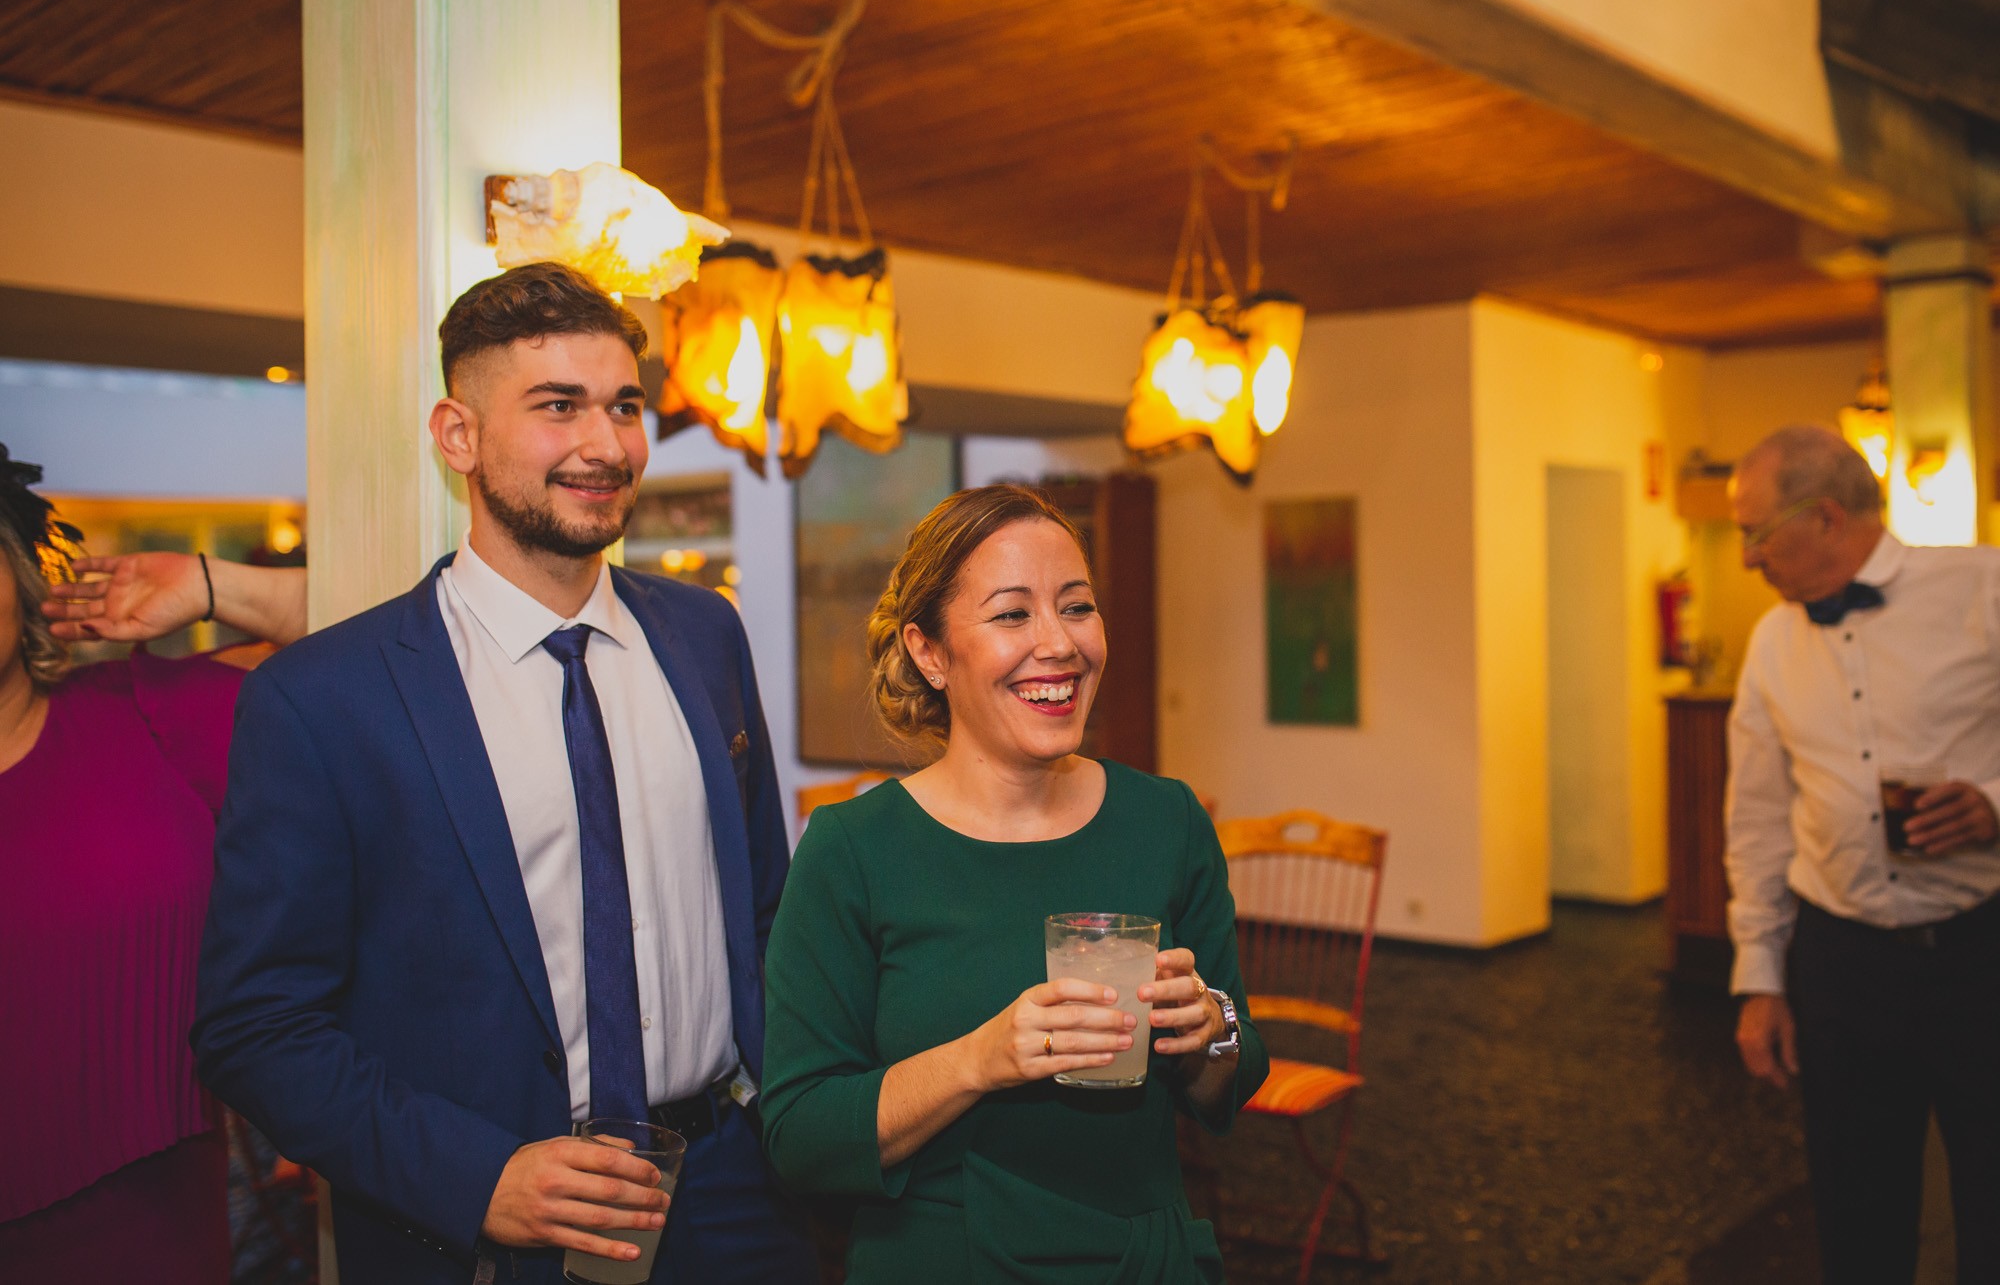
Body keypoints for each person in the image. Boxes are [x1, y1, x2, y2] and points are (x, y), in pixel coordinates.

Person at [191, 262, 816, 1284]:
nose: (605, 444)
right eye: (557, 406)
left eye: (624, 407)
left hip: (730, 1193)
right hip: (488, 1227)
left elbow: (764, 914)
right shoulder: (324, 697)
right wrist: (478, 1178)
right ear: (458, 436)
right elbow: (256, 1026)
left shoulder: (706, 635)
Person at [760, 483, 1268, 1281]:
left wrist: (1210, 1028)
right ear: (929, 652)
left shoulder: (1166, 820)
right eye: (1011, 614)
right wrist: (980, 1058)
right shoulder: (853, 850)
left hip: (1144, 1260)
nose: (1059, 643)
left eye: (1077, 606)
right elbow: (800, 1135)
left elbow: (1230, 1077)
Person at [0, 448, 306, 1281]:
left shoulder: (146, 717)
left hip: (158, 1239)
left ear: (20, 576)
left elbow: (407, 642)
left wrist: (214, 585)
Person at [1725, 424, 2000, 1284]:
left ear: (1827, 517)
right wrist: (1760, 976)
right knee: (1855, 1214)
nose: (1746, 558)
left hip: (1980, 952)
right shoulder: (1771, 642)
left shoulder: (1984, 588)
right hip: (1842, 966)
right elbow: (1758, 818)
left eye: (1756, 533)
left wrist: (1996, 805)